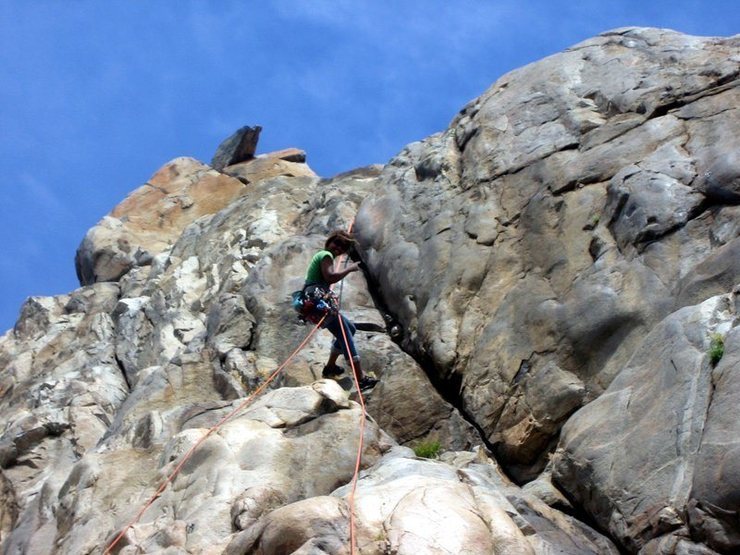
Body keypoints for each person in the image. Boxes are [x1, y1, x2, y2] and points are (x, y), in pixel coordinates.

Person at [303, 230, 378, 390]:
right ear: (330, 241)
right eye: (336, 243)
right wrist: (349, 269)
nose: (338, 248)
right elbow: (330, 277)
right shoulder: (325, 255)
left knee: (349, 328)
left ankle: (330, 367)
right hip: (318, 300)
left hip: (316, 300)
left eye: (342, 246)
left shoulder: (324, 255)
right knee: (345, 332)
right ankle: (361, 379)